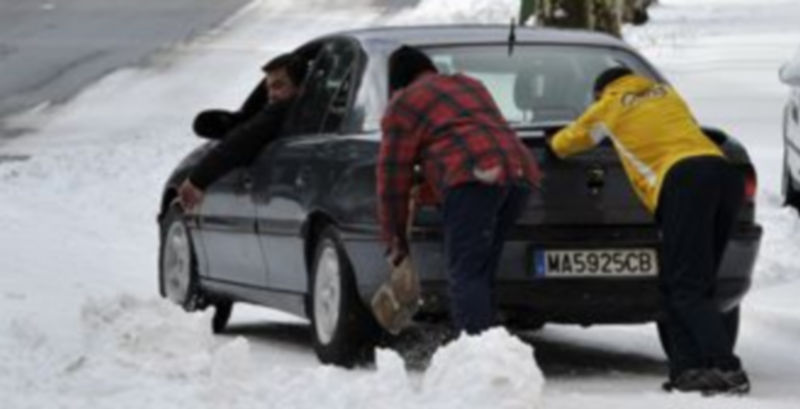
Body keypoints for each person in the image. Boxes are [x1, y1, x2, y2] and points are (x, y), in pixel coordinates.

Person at [548, 67, 749, 395]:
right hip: (723, 174)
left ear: (601, 92)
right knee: (696, 282)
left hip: (683, 181)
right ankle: (689, 370)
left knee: (685, 286)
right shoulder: (665, 93)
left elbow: (567, 142)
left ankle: (727, 368)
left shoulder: (609, 105)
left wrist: (552, 141)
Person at [376, 45, 541, 335]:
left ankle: (476, 356)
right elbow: (461, 138)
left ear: (395, 82)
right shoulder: (469, 85)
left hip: (477, 174)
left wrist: (396, 240)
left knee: (465, 274)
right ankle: (492, 349)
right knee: (482, 271)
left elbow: (391, 180)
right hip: (518, 172)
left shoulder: (403, 103)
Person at [178, 52, 307, 210]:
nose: (271, 95)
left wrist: (197, 180)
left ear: (301, 88)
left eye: (279, 86)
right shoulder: (310, 113)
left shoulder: (283, 111)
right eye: (269, 89)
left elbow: (243, 140)